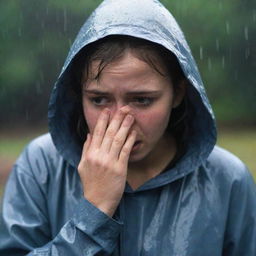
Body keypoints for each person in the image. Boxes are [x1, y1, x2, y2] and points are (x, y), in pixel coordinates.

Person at [0, 0, 255, 255]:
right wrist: (94, 212)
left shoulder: (226, 180)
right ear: (79, 94)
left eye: (142, 100)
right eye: (99, 99)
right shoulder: (42, 166)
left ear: (178, 93)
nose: (119, 121)